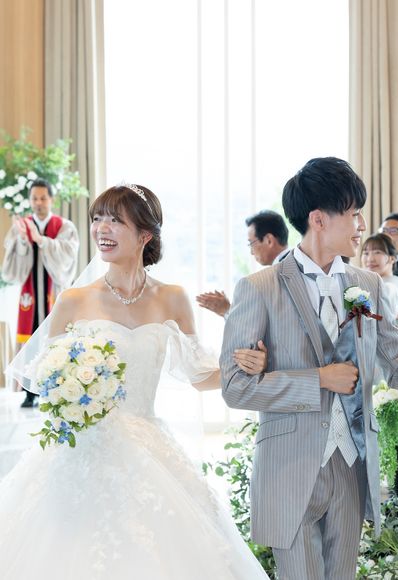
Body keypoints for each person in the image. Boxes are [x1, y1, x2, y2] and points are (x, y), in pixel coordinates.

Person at [220, 157, 398, 580]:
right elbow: (235, 387)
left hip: (351, 464)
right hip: (289, 468)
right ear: (319, 219)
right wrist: (318, 380)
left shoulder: (367, 285)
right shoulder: (259, 288)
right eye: (353, 213)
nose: (362, 225)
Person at [0, 184, 270, 579]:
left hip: (149, 447)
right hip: (81, 452)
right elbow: (45, 375)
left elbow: (199, 376)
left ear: (145, 234)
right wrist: (72, 396)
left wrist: (244, 366)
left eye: (115, 220)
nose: (101, 228)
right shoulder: (74, 300)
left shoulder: (172, 298)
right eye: (97, 219)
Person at [2, 178, 79, 407]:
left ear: (51, 199)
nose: (38, 202)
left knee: (54, 337)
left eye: (43, 198)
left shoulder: (64, 226)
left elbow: (68, 254)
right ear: (30, 200)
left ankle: (57, 389)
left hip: (54, 292)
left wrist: (41, 241)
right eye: (34, 198)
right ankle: (29, 391)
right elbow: (12, 266)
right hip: (29, 295)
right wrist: (22, 241)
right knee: (30, 340)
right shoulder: (21, 226)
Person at [196, 209, 290, 317]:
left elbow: (255, 326)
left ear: (269, 240)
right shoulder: (298, 265)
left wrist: (227, 310)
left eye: (251, 243)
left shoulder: (270, 280)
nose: (251, 252)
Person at [361, 233, 398, 317]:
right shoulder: (370, 284)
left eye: (377, 252)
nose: (370, 259)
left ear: (392, 258)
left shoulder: (389, 288)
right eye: (366, 253)